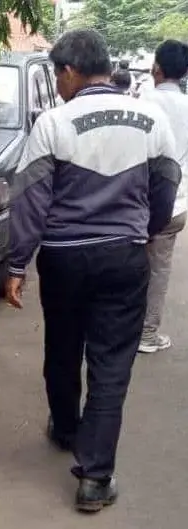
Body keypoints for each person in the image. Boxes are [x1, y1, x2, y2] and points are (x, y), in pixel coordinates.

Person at [5, 29, 180, 513]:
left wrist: (17, 263)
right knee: (110, 365)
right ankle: (95, 478)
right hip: (123, 256)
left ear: (68, 72)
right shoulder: (151, 118)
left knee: (62, 345)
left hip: (63, 258)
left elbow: (31, 199)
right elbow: (167, 183)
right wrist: (146, 228)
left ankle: (65, 429)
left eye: (57, 76)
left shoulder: (54, 123)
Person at [137, 40, 188, 353]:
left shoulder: (142, 100)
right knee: (158, 270)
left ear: (156, 67)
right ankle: (146, 334)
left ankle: (116, 328)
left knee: (125, 264)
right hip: (175, 202)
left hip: (134, 199)